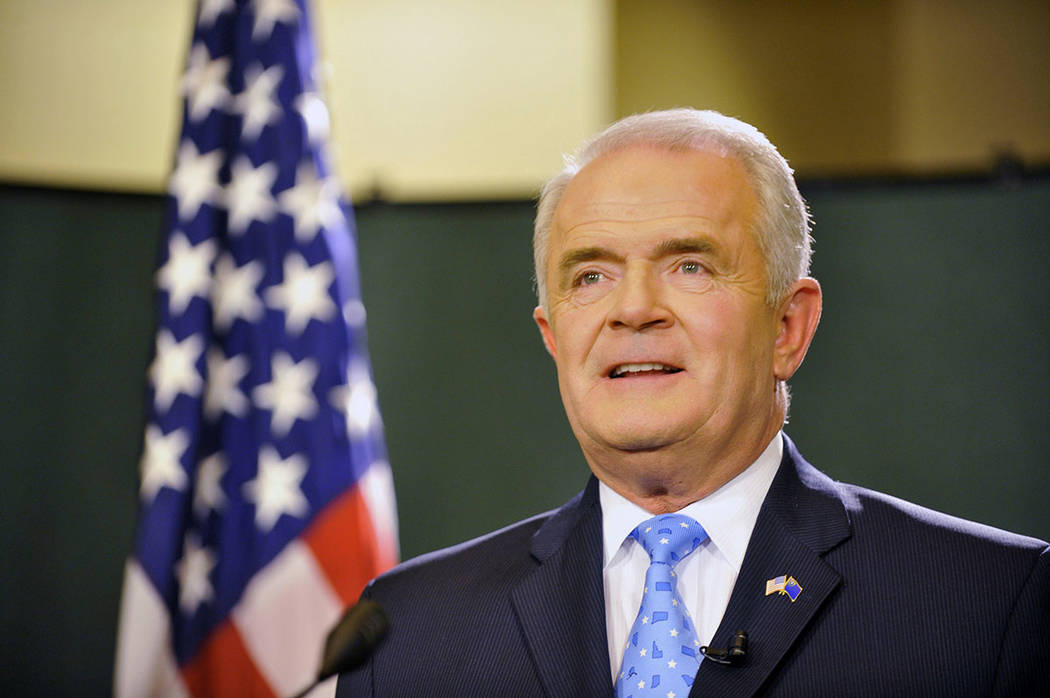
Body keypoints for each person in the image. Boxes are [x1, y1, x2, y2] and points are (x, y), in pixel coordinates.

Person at [336, 109, 1049, 696]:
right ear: (553, 338)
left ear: (787, 326)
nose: (633, 310)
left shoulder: (987, 606)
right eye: (590, 276)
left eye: (689, 266)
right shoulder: (410, 631)